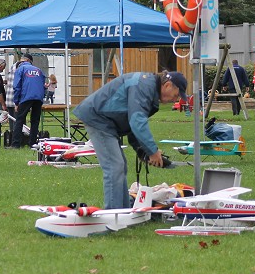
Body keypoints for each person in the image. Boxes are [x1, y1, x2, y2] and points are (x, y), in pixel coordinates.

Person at [73, 71, 187, 209]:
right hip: (98, 118)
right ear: (167, 85)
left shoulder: (148, 87)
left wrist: (142, 150)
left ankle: (124, 211)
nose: (175, 100)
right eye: (176, 95)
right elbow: (136, 121)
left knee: (120, 165)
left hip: (106, 120)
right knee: (114, 166)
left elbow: (131, 121)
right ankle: (113, 216)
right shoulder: (144, 87)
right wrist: (152, 151)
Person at [10, 53, 46, 148]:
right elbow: (43, 85)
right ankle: (33, 144)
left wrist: (16, 102)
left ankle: (16, 144)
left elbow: (17, 86)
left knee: (19, 120)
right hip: (38, 98)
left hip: (26, 97)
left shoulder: (20, 69)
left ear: (23, 60)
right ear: (30, 61)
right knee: (35, 121)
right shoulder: (38, 70)